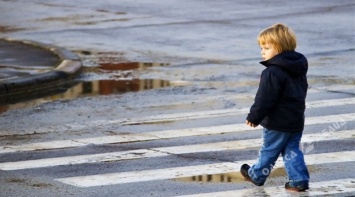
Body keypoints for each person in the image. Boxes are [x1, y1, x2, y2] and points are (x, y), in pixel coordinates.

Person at [240, 23, 310, 192]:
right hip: (295, 120)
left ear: (279, 48)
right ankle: (299, 180)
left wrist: (254, 116)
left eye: (266, 47)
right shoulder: (298, 68)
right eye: (261, 48)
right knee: (292, 151)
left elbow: (265, 98)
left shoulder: (272, 72)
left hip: (277, 122)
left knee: (269, 150)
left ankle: (256, 175)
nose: (262, 52)